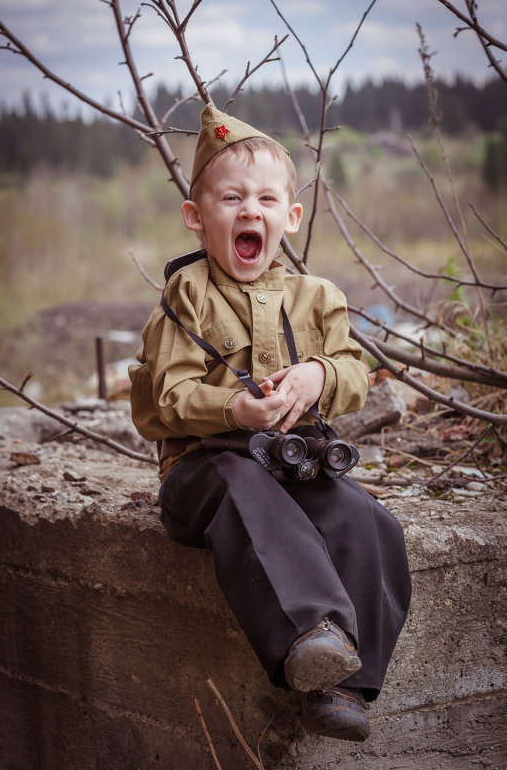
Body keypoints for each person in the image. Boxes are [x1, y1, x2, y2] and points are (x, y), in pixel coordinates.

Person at [129, 103, 411, 742]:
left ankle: (340, 686)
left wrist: (317, 374)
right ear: (197, 219)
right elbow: (167, 396)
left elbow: (354, 375)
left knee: (366, 520)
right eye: (230, 198)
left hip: (293, 463)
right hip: (204, 471)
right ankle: (310, 634)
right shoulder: (188, 294)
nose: (249, 209)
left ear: (291, 216)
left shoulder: (318, 298)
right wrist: (235, 409)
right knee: (241, 483)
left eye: (265, 198)